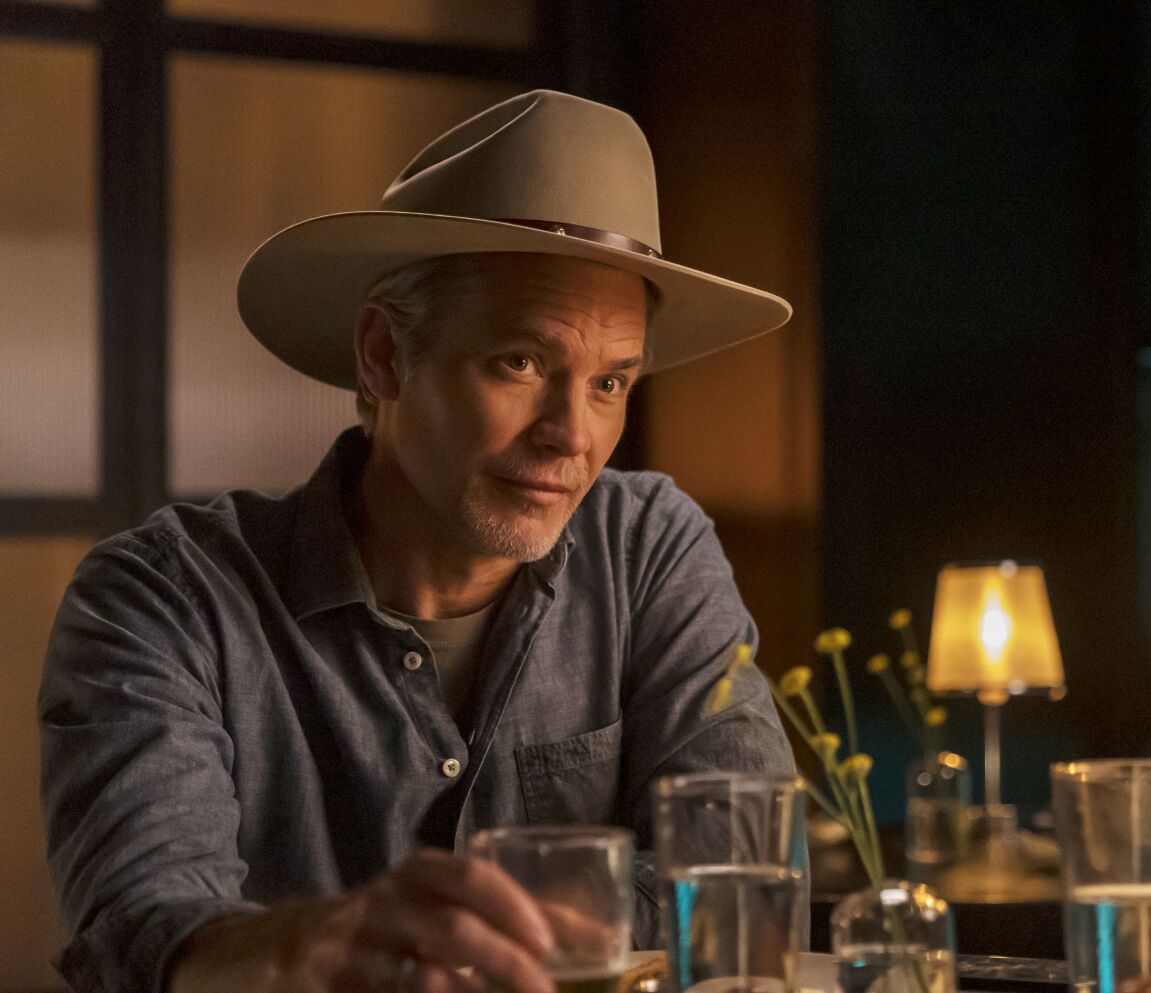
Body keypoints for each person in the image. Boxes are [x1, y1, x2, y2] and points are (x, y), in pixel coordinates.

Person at [39, 89, 797, 993]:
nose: (572, 435)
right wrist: (308, 947)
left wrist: (476, 930)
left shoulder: (647, 548)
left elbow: (744, 882)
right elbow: (144, 929)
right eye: (521, 362)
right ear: (383, 355)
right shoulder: (167, 598)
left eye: (610, 384)